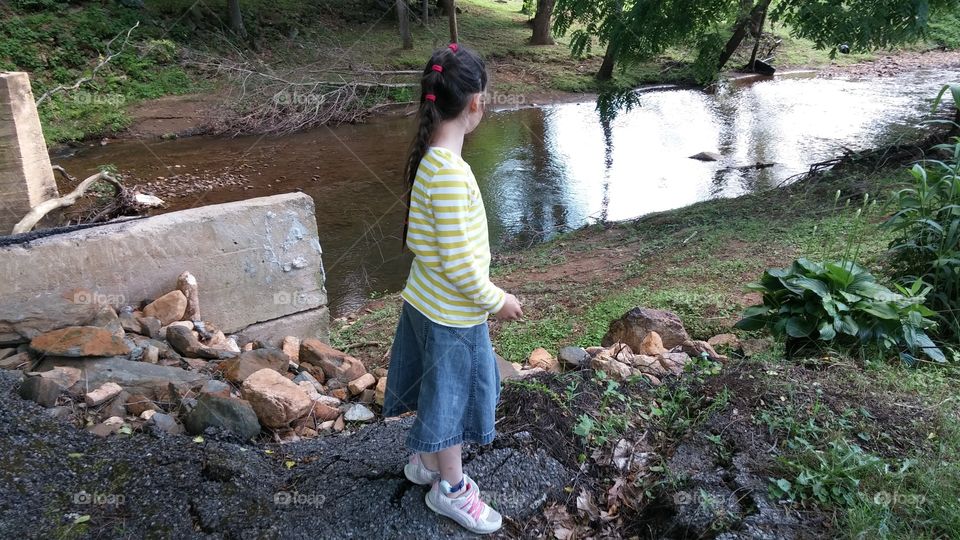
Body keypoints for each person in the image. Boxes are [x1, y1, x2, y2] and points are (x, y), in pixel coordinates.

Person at [382, 42, 524, 535]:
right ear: (475, 104)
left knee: (437, 389)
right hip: (451, 315)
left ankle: (424, 461)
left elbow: (437, 251)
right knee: (453, 398)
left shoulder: (431, 161)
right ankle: (450, 488)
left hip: (424, 302)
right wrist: (498, 300)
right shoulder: (449, 173)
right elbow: (463, 268)